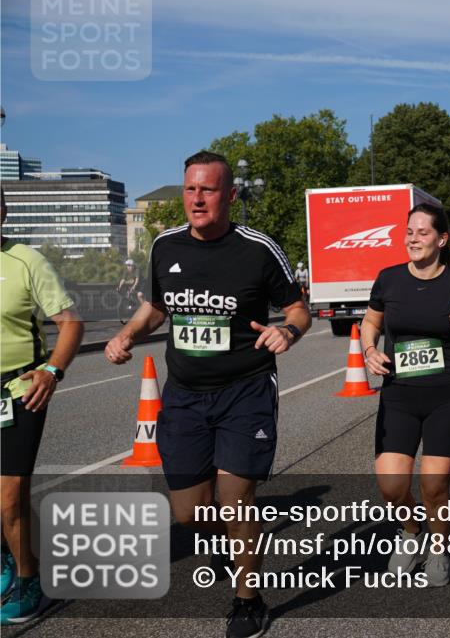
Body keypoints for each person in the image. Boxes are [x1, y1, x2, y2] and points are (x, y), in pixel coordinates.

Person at [104, 152, 310, 638]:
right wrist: (128, 335)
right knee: (190, 513)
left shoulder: (257, 249)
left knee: (236, 499)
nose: (197, 199)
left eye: (209, 190)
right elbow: (156, 306)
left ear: (230, 196)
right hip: (185, 396)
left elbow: (298, 307)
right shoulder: (164, 246)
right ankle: (228, 543)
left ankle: (247, 598)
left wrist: (289, 332)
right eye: (190, 189)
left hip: (246, 391)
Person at [360, 204, 450, 587]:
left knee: (434, 486)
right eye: (409, 232)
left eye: (422, 232)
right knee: (391, 484)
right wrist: (369, 350)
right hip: (399, 395)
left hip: (445, 396)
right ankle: (411, 533)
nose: (413, 239)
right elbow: (370, 321)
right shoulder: (389, 279)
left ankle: (439, 548)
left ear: (442, 239)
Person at [1, 189, 84, 625]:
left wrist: (52, 371)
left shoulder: (26, 260)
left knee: (9, 495)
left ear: (2, 210)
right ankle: (8, 560)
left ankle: (29, 581)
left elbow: (70, 322)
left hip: (18, 390)